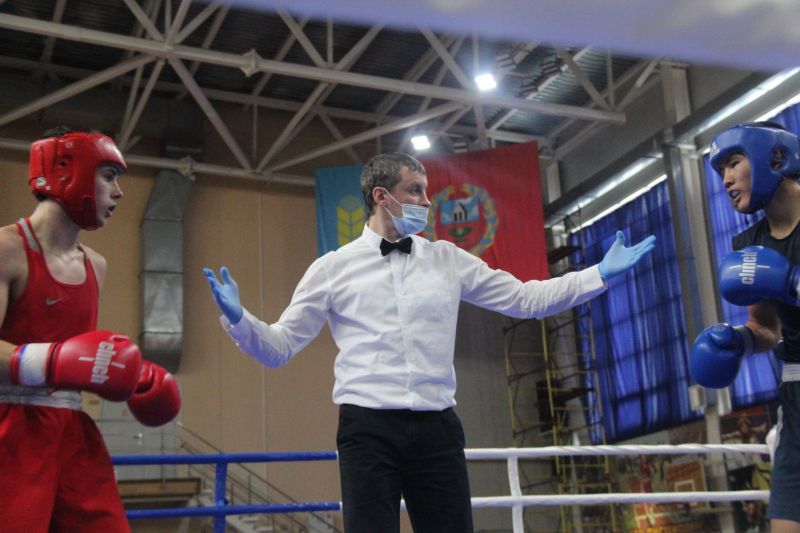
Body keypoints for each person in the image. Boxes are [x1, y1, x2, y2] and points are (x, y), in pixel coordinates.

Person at [204, 152, 656, 532]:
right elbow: (281, 346)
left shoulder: (447, 259)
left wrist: (597, 274)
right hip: (368, 429)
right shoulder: (332, 268)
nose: (427, 201)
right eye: (416, 190)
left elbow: (524, 298)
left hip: (437, 427)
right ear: (381, 196)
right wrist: (240, 320)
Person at [0, 127, 181, 533]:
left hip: (73, 430)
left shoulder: (95, 265)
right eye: (108, 176)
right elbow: (62, 361)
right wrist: (51, 362)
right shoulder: (7, 248)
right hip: (11, 427)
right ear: (68, 171)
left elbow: (79, 361)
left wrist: (133, 378)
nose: (118, 192)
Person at [690, 121, 800, 532]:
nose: (726, 179)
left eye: (734, 162)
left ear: (775, 157)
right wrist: (737, 341)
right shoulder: (749, 248)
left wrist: (794, 284)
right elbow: (766, 328)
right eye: (721, 171)